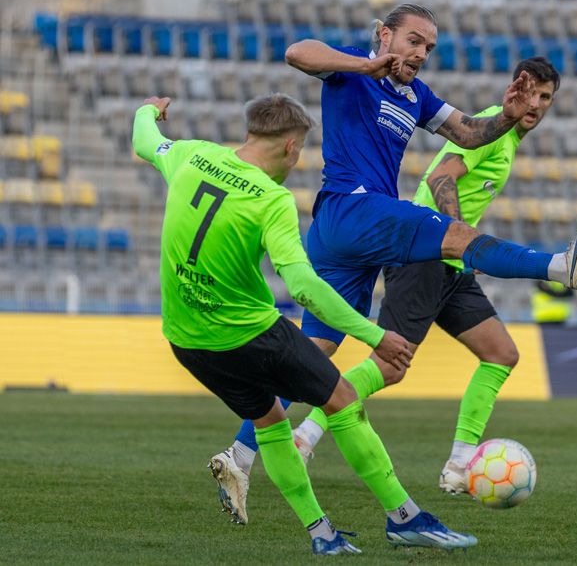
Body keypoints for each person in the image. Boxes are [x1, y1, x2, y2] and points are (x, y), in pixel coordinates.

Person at [210, 3, 577, 520]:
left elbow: (466, 132)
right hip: (355, 206)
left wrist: (504, 116)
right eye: (413, 41)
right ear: (383, 35)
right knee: (457, 238)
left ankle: (237, 455)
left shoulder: (418, 96)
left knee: (313, 353)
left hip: (346, 234)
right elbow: (296, 53)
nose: (420, 54)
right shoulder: (350, 68)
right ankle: (559, 266)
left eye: (428, 47)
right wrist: (365, 65)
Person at [132, 93, 477, 554]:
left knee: (270, 421)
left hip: (187, 340)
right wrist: (376, 335)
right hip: (250, 334)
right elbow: (304, 287)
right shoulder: (272, 200)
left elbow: (144, 138)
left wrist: (150, 110)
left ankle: (322, 535)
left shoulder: (190, 154)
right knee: (343, 401)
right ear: (292, 147)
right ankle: (405, 519)